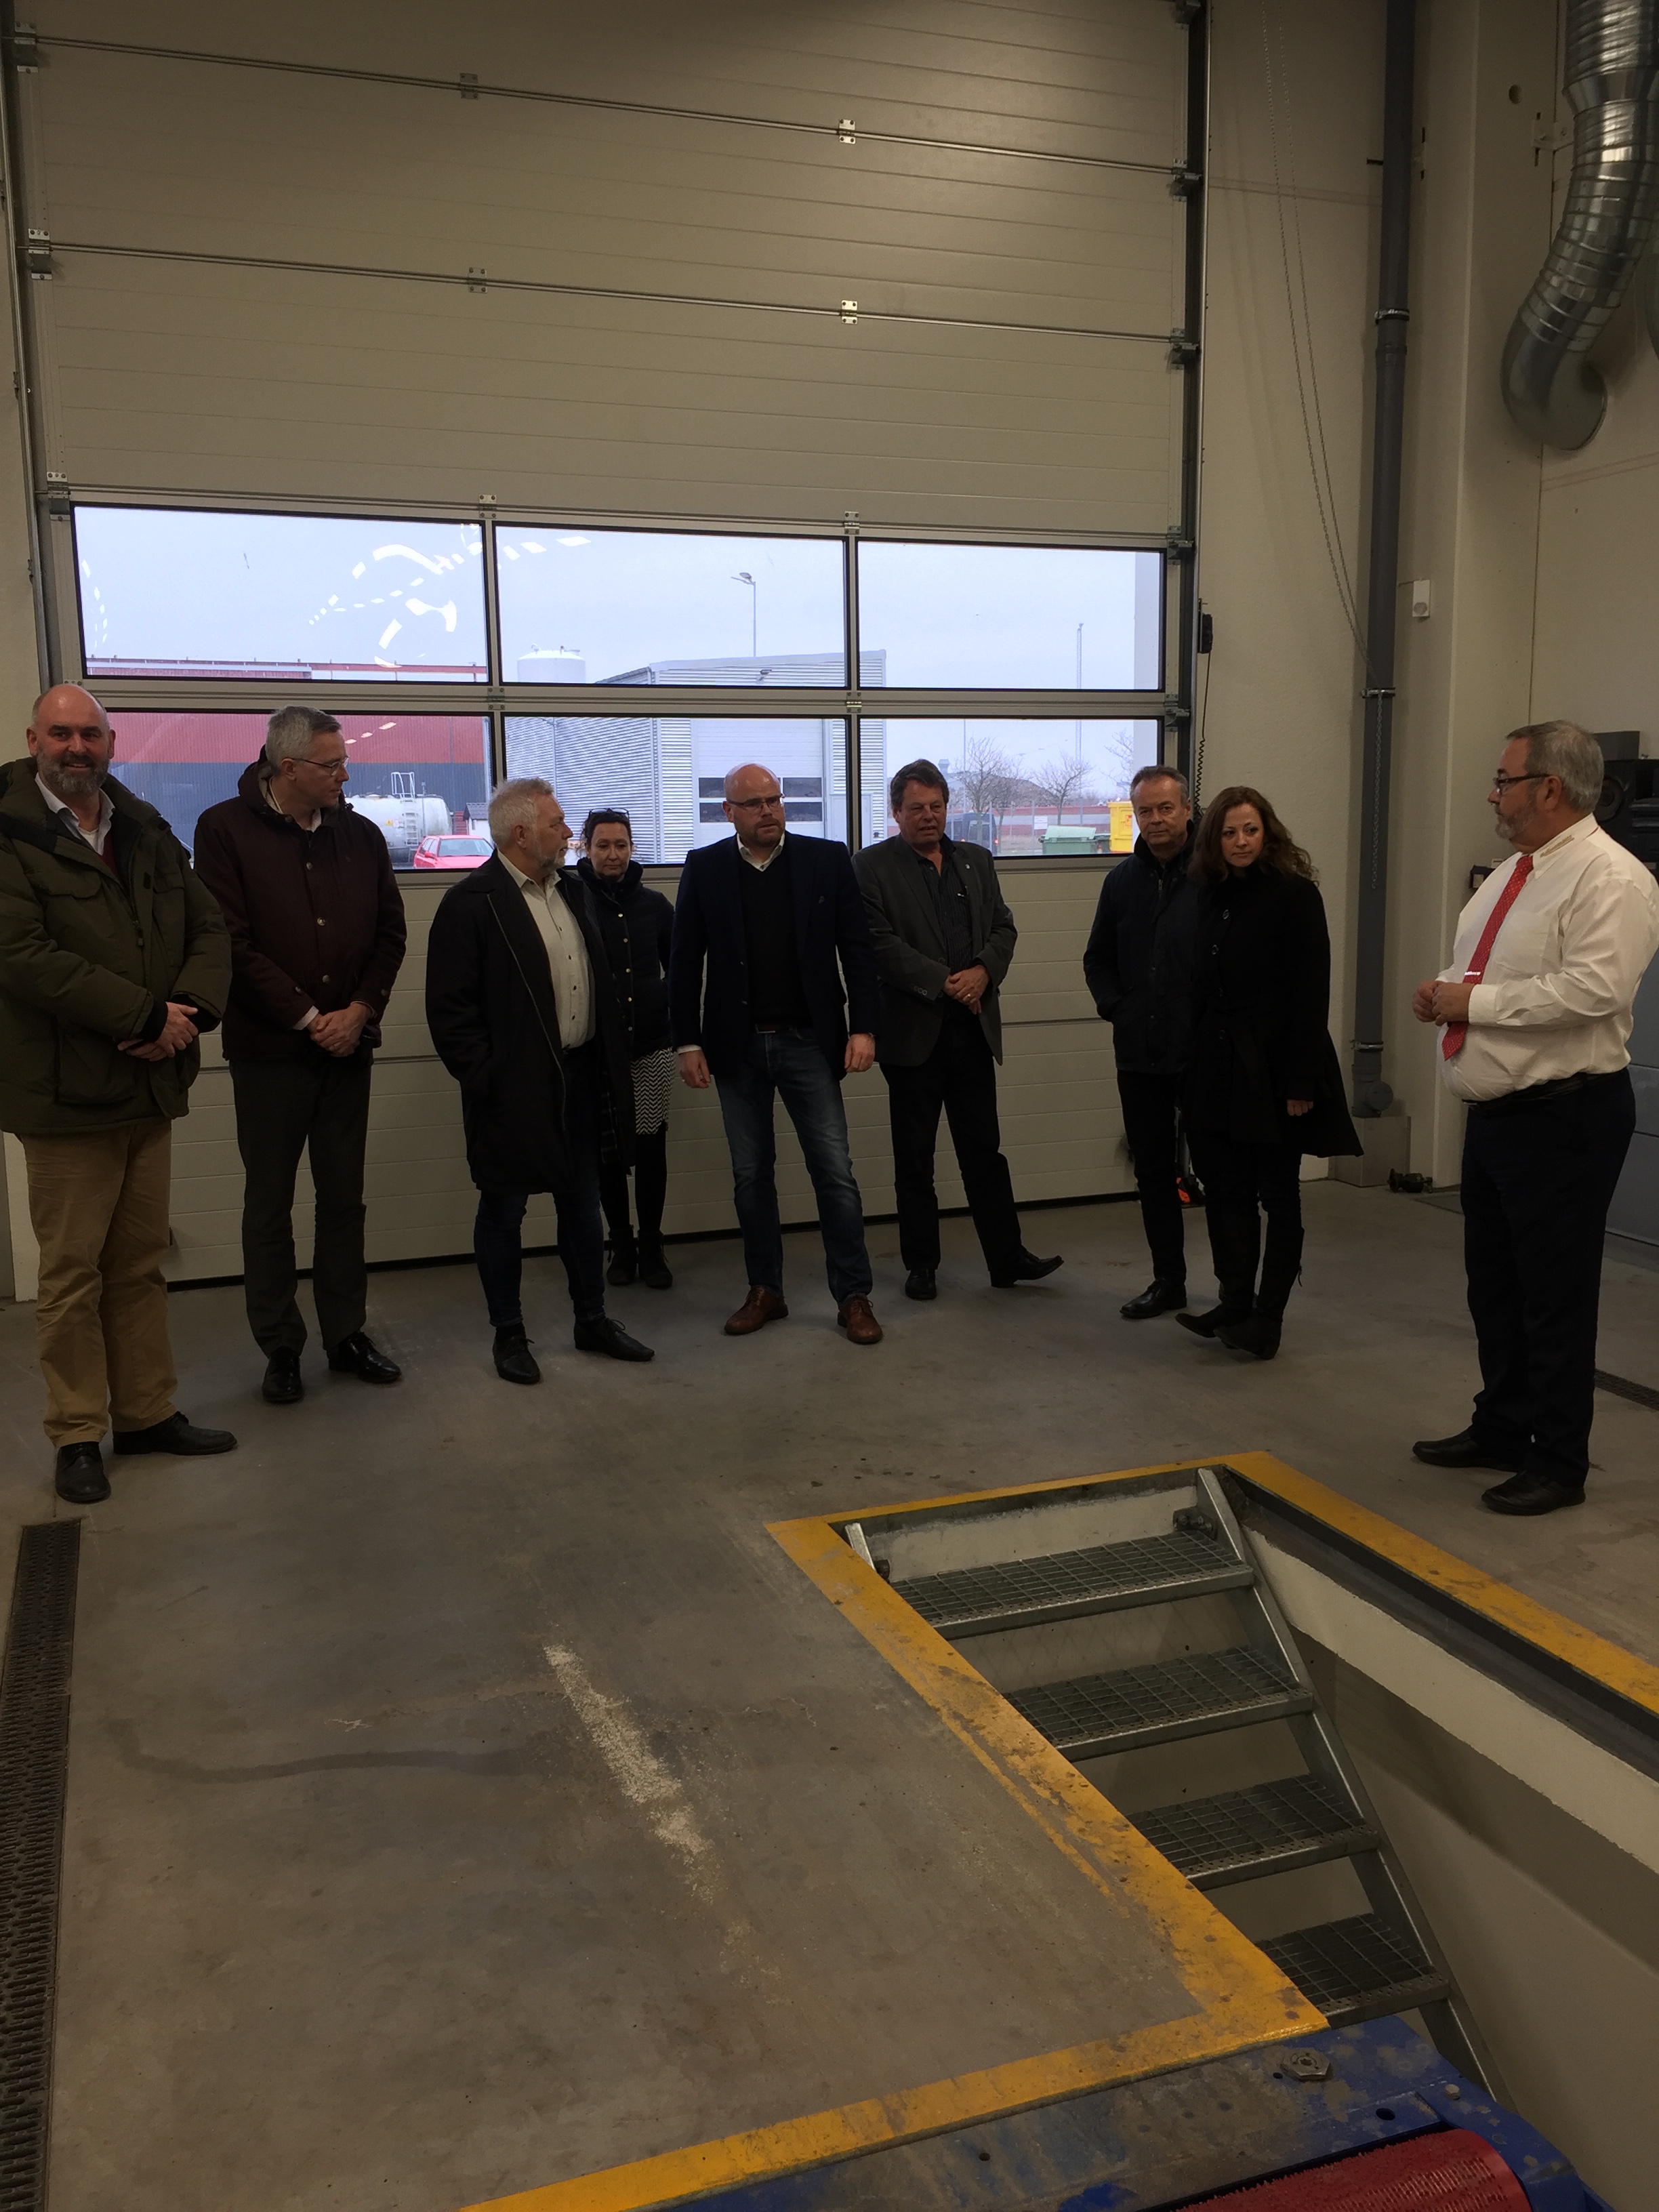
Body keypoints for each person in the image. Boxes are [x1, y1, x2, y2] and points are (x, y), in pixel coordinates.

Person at [1411, 720, 1659, 1515]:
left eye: (1504, 780)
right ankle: (1502, 1426)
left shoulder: (1610, 878)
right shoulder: (1515, 873)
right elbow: (1484, 965)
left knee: (1553, 1296)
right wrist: (1445, 989)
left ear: (1549, 787)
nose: (1493, 794)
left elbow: (1595, 990)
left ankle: (1557, 1461)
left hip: (1565, 1117)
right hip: (1500, 1117)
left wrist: (1472, 1003)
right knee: (1497, 1286)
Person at [0, 684, 236, 1502]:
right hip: (65, 1098)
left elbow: (208, 927)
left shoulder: (142, 826)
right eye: (60, 733)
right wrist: (141, 1014)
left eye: (90, 735)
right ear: (34, 739)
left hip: (147, 1083)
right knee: (72, 1275)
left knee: (137, 1265)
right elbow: (21, 955)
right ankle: (76, 1433)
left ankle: (145, 1413)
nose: (76, 748)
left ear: (112, 742)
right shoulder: (9, 833)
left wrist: (188, 1010)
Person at [192, 708, 408, 1405]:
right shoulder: (223, 831)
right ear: (288, 769)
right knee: (269, 1205)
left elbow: (391, 935)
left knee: (344, 1200)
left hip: (348, 1050)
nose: (345, 774)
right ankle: (281, 1347)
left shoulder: (361, 835)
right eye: (332, 764)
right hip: (269, 1055)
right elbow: (230, 942)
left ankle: (346, 1334)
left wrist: (360, 1010)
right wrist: (311, 1018)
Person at [425, 779, 653, 1382]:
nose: (569, 834)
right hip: (513, 1088)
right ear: (522, 833)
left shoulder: (573, 891)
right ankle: (509, 1334)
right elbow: (450, 1014)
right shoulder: (472, 903)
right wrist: (490, 1081)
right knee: (505, 1208)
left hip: (582, 1075)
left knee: (582, 1203)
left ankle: (591, 1320)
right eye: (557, 824)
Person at [669, 763, 884, 1345]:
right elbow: (684, 962)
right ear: (728, 812)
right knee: (751, 1176)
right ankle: (766, 1289)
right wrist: (686, 1041)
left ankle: (853, 1295)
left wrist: (863, 1028)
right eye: (754, 803)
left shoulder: (826, 860)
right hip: (735, 1046)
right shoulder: (706, 867)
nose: (768, 811)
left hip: (809, 1041)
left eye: (774, 799)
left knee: (834, 1173)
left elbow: (858, 951)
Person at [854, 759, 1059, 1298]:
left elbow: (1003, 927)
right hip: (913, 1037)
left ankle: (1006, 1258)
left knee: (984, 1153)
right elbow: (877, 943)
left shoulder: (976, 860)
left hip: (972, 1031)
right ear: (896, 812)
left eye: (937, 806)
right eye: (916, 808)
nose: (929, 816)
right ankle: (922, 1266)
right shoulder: (871, 867)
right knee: (915, 1161)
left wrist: (984, 970)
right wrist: (944, 981)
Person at [1177, 785, 1360, 1359]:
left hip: (1276, 1067)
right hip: (1218, 1064)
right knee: (1225, 1190)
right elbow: (1201, 986)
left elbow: (1311, 992)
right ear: (1214, 840)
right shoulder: (1210, 894)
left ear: (1268, 833)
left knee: (1277, 1194)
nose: (1240, 841)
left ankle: (1268, 1320)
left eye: (1250, 830)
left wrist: (1301, 1081)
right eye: (1229, 832)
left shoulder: (1295, 895)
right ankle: (1235, 1303)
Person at [1084, 764, 1201, 1319]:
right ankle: (1168, 1281)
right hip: (1140, 1053)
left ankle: (1235, 1293)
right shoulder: (1121, 882)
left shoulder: (1214, 875)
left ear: (1187, 810)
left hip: (1203, 1053)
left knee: (1222, 1170)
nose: (1155, 820)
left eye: (1165, 808)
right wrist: (1119, 1009)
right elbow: (1097, 959)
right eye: (1145, 811)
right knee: (1153, 1172)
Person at [576, 808, 677, 1291]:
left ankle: (652, 1245)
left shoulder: (655, 905)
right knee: (608, 1153)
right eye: (603, 845)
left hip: (652, 1047)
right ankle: (621, 1243)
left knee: (651, 1147)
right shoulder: (572, 903)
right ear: (586, 848)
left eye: (621, 845)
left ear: (633, 848)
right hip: (598, 1052)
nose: (613, 854)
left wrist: (670, 1012)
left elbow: (680, 967)